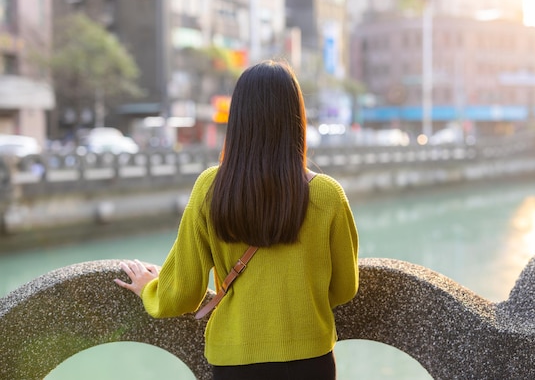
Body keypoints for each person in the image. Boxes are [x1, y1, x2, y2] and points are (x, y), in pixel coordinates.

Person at [114, 60, 359, 380]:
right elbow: (344, 287)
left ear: (238, 119)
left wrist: (151, 288)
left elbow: (183, 293)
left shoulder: (209, 188)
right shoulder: (327, 194)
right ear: (296, 119)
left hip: (234, 359)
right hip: (310, 358)